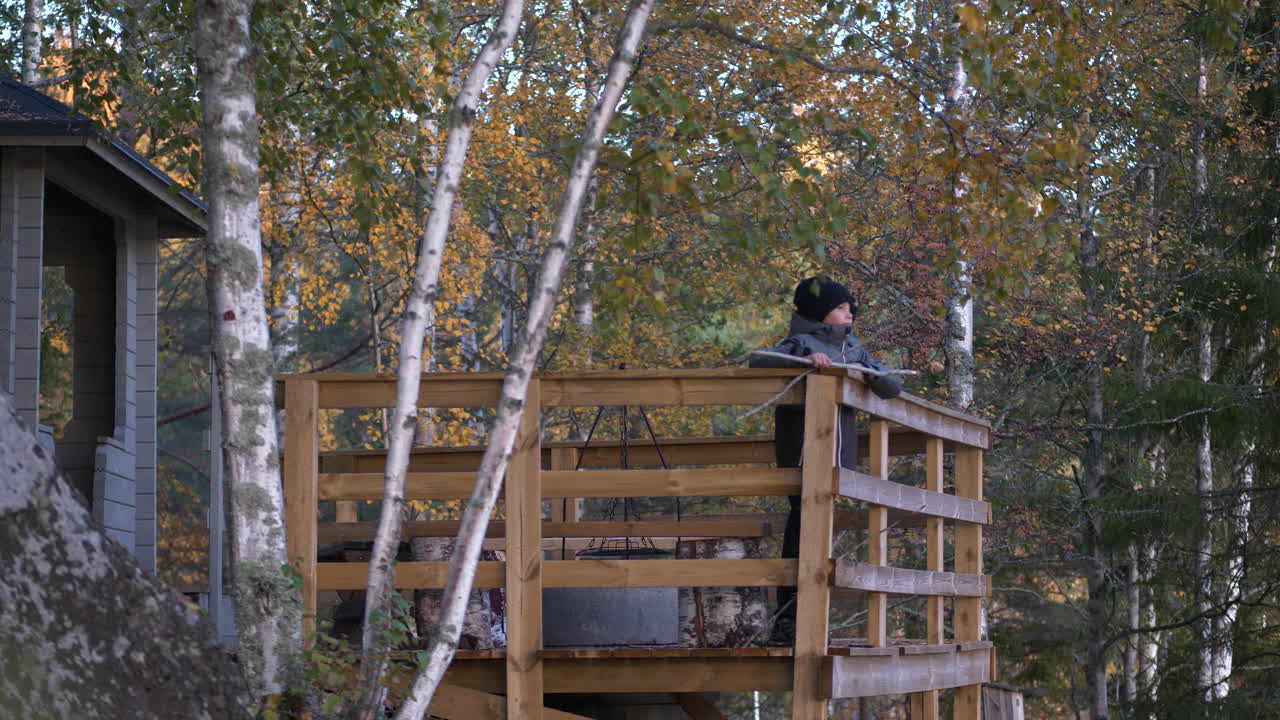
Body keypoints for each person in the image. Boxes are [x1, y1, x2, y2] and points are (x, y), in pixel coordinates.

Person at [748, 276, 904, 641]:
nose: (849, 313)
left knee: (820, 536)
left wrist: (868, 375)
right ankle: (789, 620)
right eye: (840, 307)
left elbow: (893, 386)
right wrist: (802, 360)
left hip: (836, 453)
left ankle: (810, 620)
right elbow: (759, 361)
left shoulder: (855, 349)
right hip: (802, 449)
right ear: (820, 313)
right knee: (801, 529)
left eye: (851, 308)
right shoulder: (800, 342)